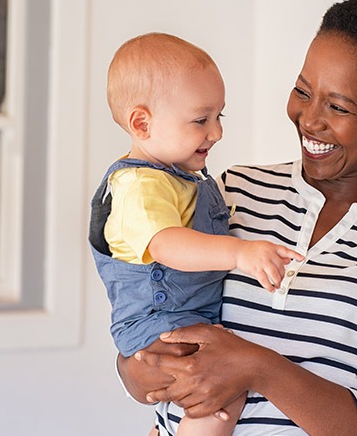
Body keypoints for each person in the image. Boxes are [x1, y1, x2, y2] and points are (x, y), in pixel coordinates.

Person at [114, 0, 357, 436]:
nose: (309, 119)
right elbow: (150, 299)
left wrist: (260, 368)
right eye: (303, 91)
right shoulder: (229, 192)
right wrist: (134, 368)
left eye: (339, 107)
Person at [89, 32, 304, 436]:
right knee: (218, 388)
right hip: (160, 319)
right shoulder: (139, 186)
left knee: (221, 384)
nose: (217, 132)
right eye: (201, 120)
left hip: (184, 315)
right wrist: (241, 254)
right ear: (142, 123)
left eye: (220, 116)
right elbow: (168, 245)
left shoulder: (182, 178)